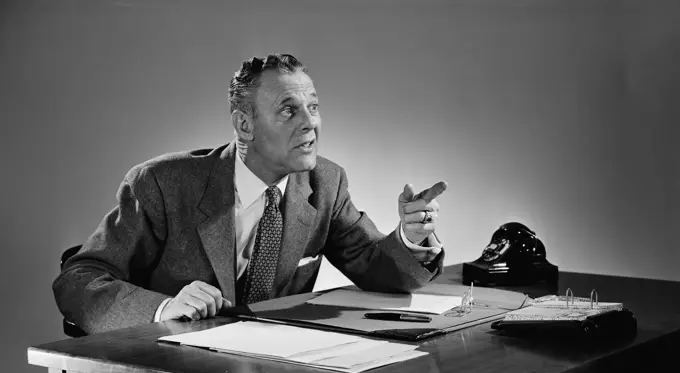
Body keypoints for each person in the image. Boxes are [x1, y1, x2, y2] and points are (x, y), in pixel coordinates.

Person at [53, 53, 448, 334]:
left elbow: (377, 267)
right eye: (289, 110)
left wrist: (411, 237)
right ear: (244, 125)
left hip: (272, 370)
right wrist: (163, 308)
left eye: (314, 106)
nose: (311, 123)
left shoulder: (325, 183)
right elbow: (78, 279)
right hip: (169, 369)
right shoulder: (162, 183)